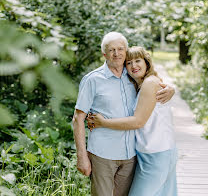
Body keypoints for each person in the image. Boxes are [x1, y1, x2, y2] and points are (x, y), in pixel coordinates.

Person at [72, 32, 175, 196]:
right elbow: (78, 119)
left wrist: (170, 89)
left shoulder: (133, 76)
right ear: (104, 54)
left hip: (132, 156)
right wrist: (81, 156)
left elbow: (153, 84)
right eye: (111, 50)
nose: (116, 53)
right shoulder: (93, 79)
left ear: (126, 51)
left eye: (120, 49)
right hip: (103, 154)